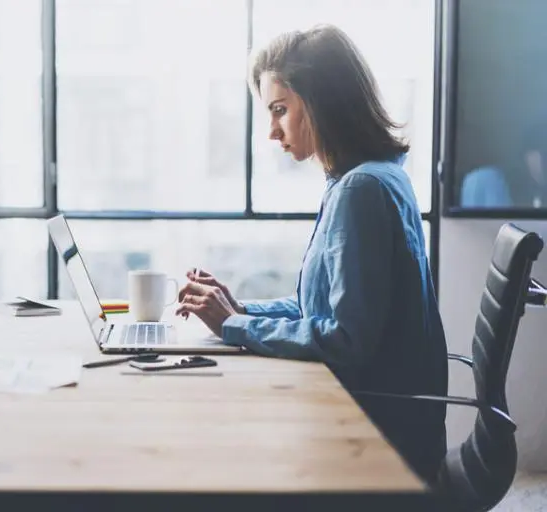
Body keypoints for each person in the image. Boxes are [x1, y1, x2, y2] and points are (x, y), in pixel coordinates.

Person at [176, 26, 448, 484]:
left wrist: (235, 326)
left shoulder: (360, 190)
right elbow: (319, 308)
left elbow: (345, 340)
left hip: (375, 433)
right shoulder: (370, 178)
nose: (271, 132)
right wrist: (239, 310)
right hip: (384, 415)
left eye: (280, 110)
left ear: (321, 101)